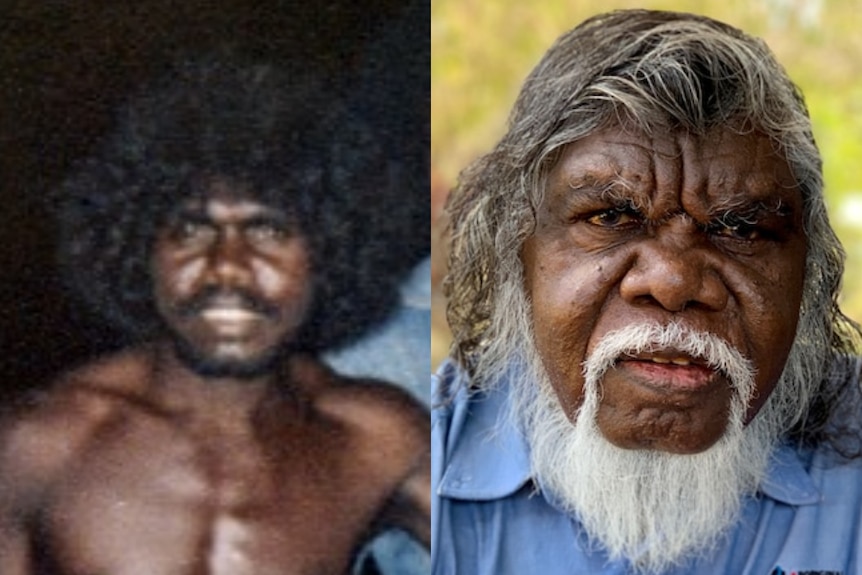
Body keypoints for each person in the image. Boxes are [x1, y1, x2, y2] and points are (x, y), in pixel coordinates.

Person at [433, 9, 862, 575]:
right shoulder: (403, 463)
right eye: (610, 216)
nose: (674, 282)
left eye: (740, 228)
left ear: (807, 276)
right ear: (516, 250)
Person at [0, 56, 430, 575]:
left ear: (329, 255)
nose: (227, 268)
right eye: (191, 231)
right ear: (140, 252)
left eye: (269, 232)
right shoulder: (42, 440)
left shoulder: (376, 438)